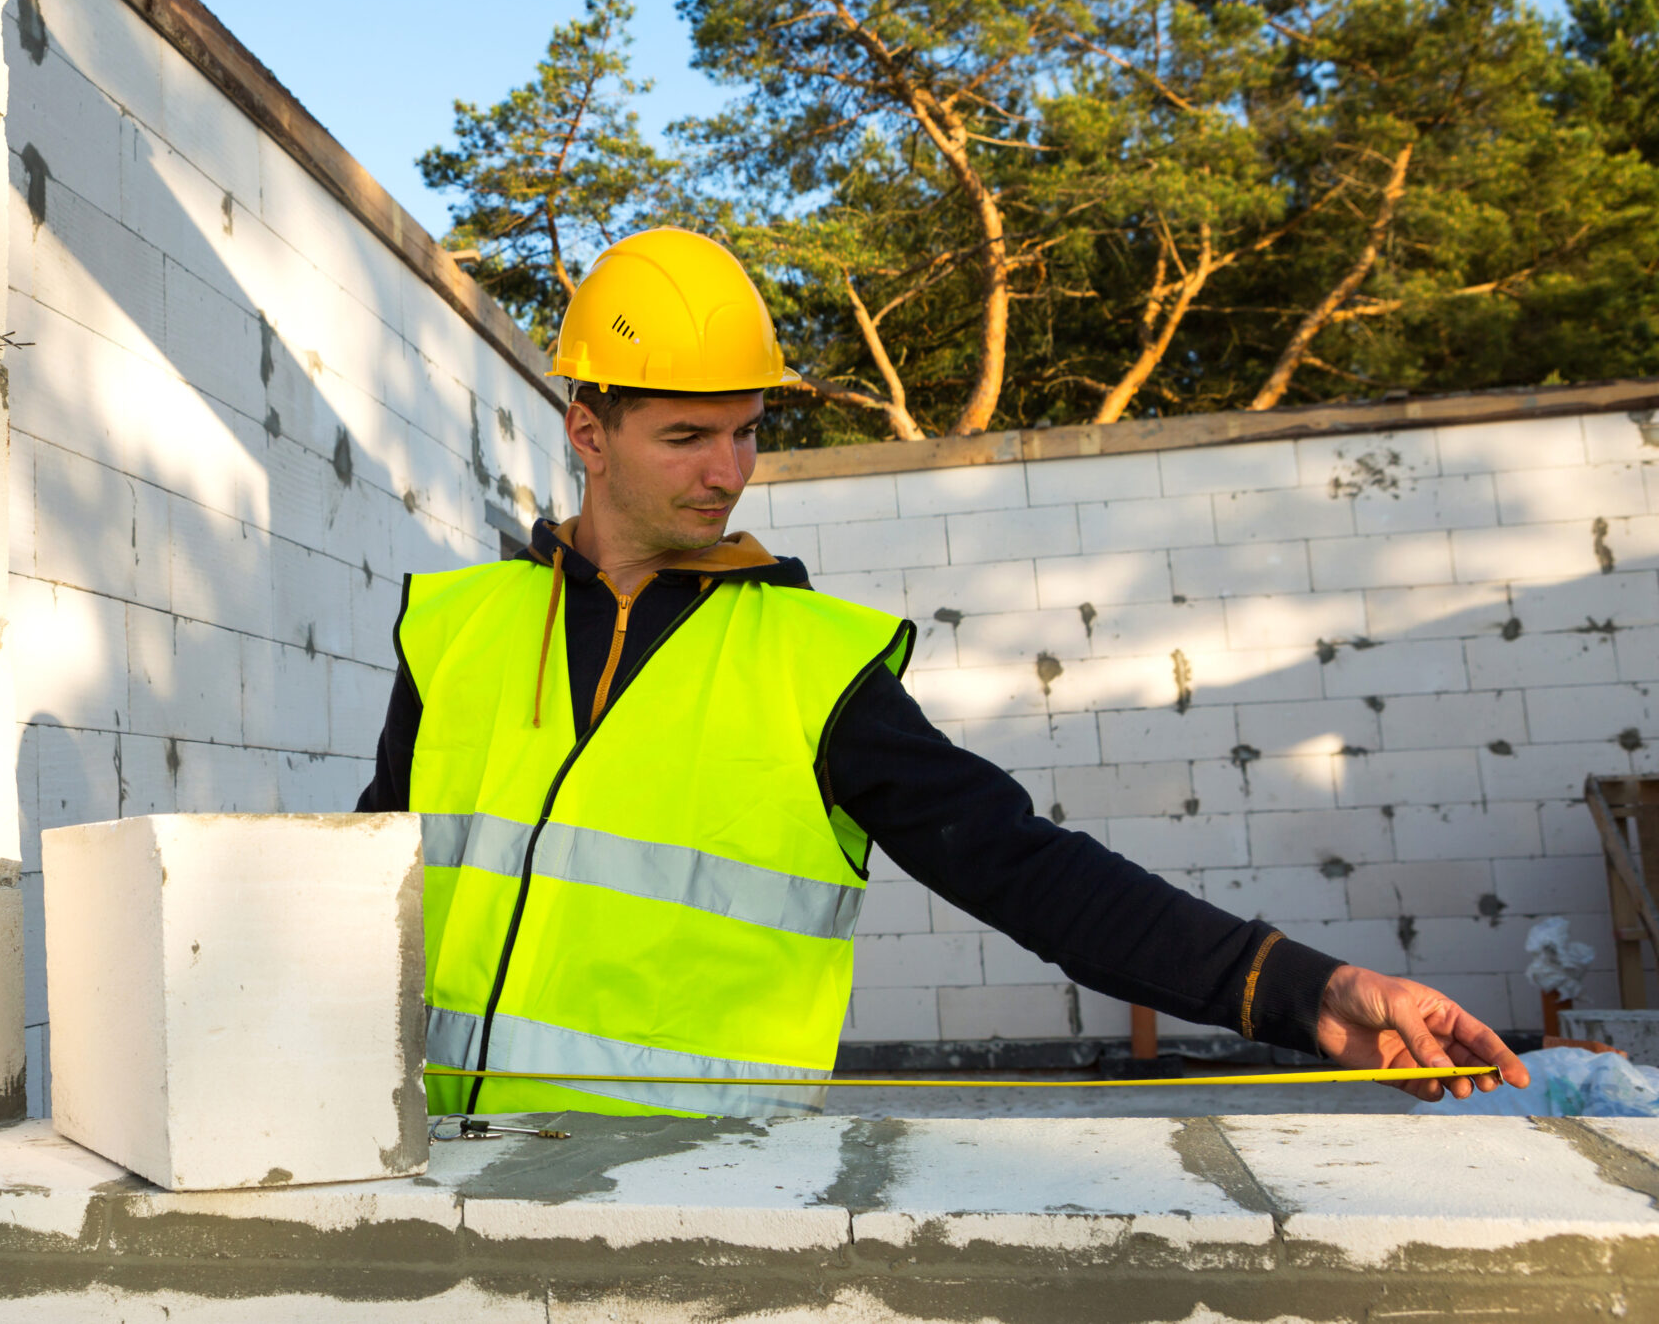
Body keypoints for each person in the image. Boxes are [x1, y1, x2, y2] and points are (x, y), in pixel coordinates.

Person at [358, 227, 1528, 1118]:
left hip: (698, 1208)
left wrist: (1301, 989)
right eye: (686, 438)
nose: (729, 473)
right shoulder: (453, 630)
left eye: (748, 431)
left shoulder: (817, 662)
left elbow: (1026, 872)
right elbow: (360, 901)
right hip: (436, 1180)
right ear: (586, 431)